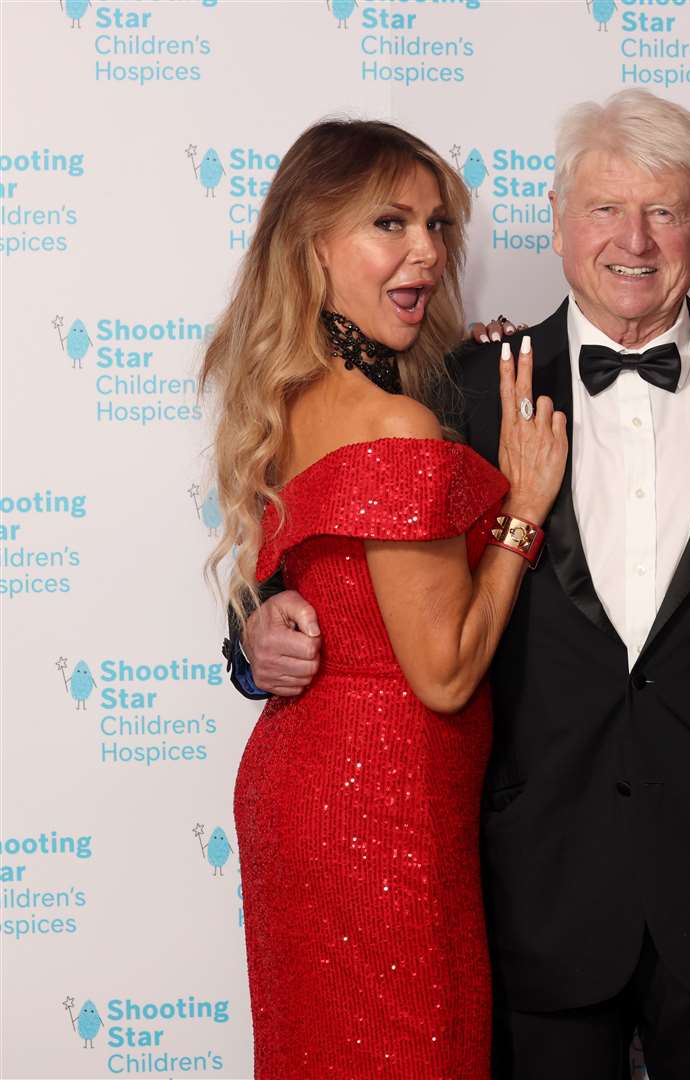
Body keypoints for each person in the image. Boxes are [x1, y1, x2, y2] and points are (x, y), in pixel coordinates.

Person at [228, 90, 690, 1080]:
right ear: (559, 221)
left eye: (663, 209)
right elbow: (305, 552)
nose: (635, 240)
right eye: (606, 209)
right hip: (533, 886)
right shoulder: (452, 389)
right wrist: (254, 633)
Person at [202, 119, 567, 1076]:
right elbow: (444, 674)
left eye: (438, 226)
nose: (427, 252)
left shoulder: (287, 402)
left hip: (307, 790)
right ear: (311, 244)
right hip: (384, 814)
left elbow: (298, 586)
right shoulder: (392, 420)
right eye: (389, 224)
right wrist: (522, 509)